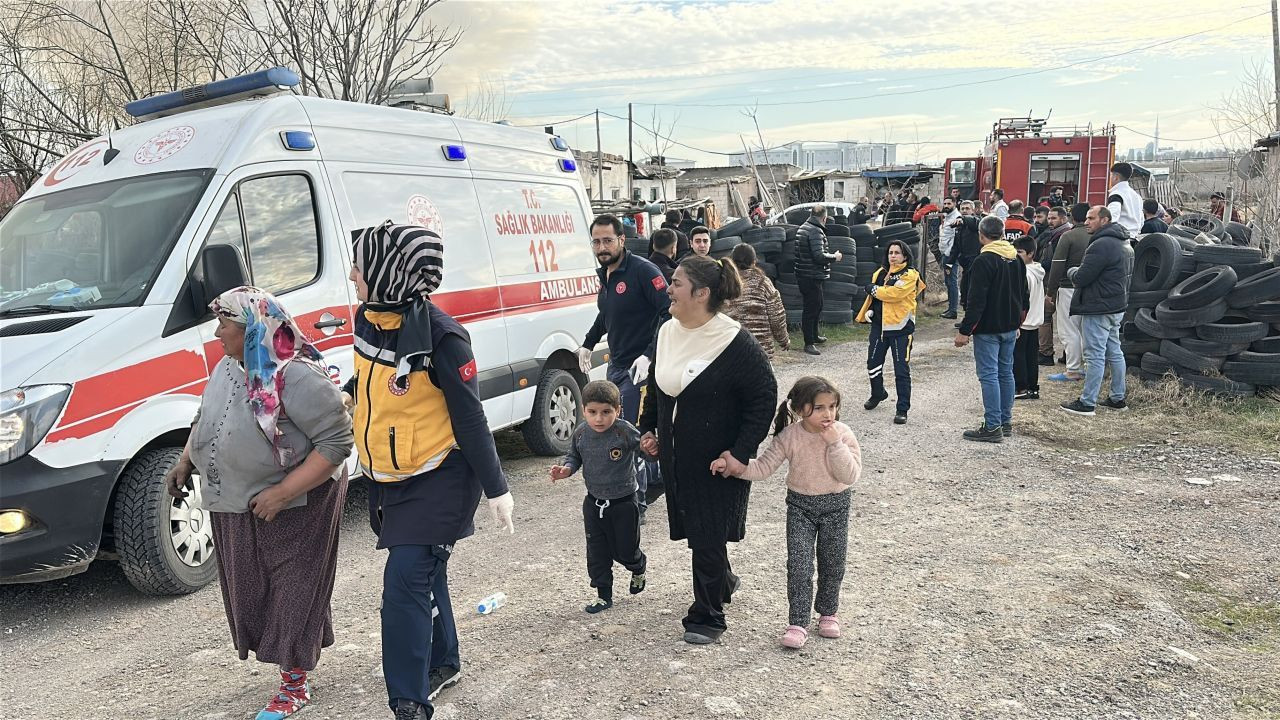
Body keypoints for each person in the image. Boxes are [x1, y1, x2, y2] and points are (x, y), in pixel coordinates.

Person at [347, 221, 515, 720]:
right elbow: (370, 385)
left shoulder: (444, 339)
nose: (352, 274)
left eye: (360, 265)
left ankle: (408, 702)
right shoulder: (369, 319)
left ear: (387, 272)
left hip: (442, 476)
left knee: (403, 584)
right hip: (389, 478)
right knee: (425, 570)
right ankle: (444, 660)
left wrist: (497, 488)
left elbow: (469, 417)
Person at [166, 286, 352, 720]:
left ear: (251, 329)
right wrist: (185, 460)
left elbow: (337, 441)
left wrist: (284, 492)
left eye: (224, 324)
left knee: (294, 587)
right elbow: (206, 416)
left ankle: (294, 683)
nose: (216, 333)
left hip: (299, 503)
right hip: (237, 501)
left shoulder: (297, 375)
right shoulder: (230, 366)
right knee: (254, 587)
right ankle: (293, 660)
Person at [637, 255, 777, 645]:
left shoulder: (733, 341)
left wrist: (741, 453)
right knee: (700, 530)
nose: (668, 288)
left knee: (707, 533)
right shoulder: (667, 331)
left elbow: (764, 396)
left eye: (677, 283)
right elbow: (658, 386)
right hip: (678, 457)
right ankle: (724, 581)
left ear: (701, 293)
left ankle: (708, 616)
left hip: (718, 461)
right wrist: (649, 429)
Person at [709, 376, 861, 650]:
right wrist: (734, 466)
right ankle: (799, 622)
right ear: (800, 408)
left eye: (832, 406)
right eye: (819, 408)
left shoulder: (842, 433)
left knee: (833, 563)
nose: (827, 414)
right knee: (799, 565)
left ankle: (828, 613)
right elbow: (764, 468)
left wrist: (834, 444)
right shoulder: (789, 436)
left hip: (836, 506)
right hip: (800, 507)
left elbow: (849, 475)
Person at [550, 380, 649, 614]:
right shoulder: (581, 433)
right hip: (593, 503)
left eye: (606, 412)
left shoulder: (624, 431)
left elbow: (646, 451)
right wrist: (566, 469)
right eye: (592, 412)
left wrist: (651, 448)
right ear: (583, 410)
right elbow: (573, 456)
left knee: (625, 551)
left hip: (624, 502)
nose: (599, 419)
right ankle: (603, 595)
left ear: (618, 410)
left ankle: (638, 567)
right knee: (597, 552)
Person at [579, 214, 671, 425]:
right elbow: (608, 312)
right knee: (617, 431)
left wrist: (649, 355)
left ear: (622, 240)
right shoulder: (606, 275)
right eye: (596, 242)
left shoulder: (643, 271)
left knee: (636, 434)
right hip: (616, 366)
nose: (602, 247)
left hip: (641, 370)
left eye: (608, 241)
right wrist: (588, 342)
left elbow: (670, 312)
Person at [954, 215, 1028, 442]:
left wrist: (965, 331)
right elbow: (1024, 296)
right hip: (1009, 326)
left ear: (981, 235)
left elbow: (977, 301)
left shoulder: (983, 261)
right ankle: (1005, 422)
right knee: (1006, 373)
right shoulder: (1016, 259)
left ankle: (992, 426)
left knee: (989, 376)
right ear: (1004, 233)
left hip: (988, 328)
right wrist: (1018, 322)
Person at [1061, 206, 1133, 416]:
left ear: (1105, 220)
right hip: (1116, 306)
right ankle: (1117, 398)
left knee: (1094, 355)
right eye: (1086, 218)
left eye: (1091, 218)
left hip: (1098, 307)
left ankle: (1087, 403)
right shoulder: (1123, 241)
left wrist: (1072, 270)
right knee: (1114, 352)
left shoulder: (1102, 244)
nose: (1086, 222)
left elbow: (1083, 276)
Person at [856, 239, 924, 424]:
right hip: (879, 328)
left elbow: (894, 294)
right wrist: (870, 311)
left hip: (901, 329)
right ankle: (878, 393)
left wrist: (873, 289)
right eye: (890, 253)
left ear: (905, 255)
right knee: (872, 363)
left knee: (901, 370)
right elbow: (876, 298)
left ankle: (902, 409)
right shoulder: (879, 273)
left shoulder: (911, 274)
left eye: (897, 253)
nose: (893, 256)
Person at [1046, 203, 1092, 382]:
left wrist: (1050, 291)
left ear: (1072, 217)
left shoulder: (1068, 236)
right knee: (1085, 330)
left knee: (1068, 330)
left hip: (1067, 287)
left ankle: (1073, 369)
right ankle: (1089, 367)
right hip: (1090, 289)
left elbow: (1057, 265)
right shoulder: (1096, 236)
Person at [726, 243, 790, 358]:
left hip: (732, 350)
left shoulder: (724, 284)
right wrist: (783, 340)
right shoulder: (763, 283)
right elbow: (776, 316)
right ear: (754, 262)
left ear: (732, 261)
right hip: (761, 351)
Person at [794, 205, 841, 356]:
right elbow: (819, 256)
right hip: (810, 276)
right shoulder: (814, 231)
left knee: (817, 305)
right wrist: (835, 257)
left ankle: (814, 336)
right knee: (811, 309)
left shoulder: (804, 227)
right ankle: (809, 343)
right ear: (824, 218)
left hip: (806, 274)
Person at [1036, 206, 1072, 366]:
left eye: (1053, 218)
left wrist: (1040, 266)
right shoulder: (1054, 234)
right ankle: (1068, 354)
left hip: (1055, 283)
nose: (1050, 221)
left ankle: (1046, 353)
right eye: (1049, 218)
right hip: (1059, 283)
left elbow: (1056, 262)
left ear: (1063, 219)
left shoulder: (1062, 236)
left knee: (1045, 317)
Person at [1013, 237, 1046, 401]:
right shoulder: (1038, 270)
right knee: (1031, 357)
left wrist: (1016, 322)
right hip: (1035, 321)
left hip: (1024, 322)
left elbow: (1021, 300)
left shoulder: (1025, 274)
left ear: (1031, 253)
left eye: (1019, 252)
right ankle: (1033, 387)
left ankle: (1021, 387)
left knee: (1019, 356)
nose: (1015, 255)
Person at [947, 200, 982, 310]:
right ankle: (966, 317)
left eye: (967, 209)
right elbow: (956, 247)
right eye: (962, 209)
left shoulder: (977, 222)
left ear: (973, 210)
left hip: (976, 263)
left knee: (974, 292)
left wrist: (962, 219)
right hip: (966, 264)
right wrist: (949, 264)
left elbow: (974, 222)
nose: (964, 211)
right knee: (965, 290)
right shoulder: (960, 226)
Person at [1105, 162, 1144, 238]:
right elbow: (1141, 220)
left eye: (1111, 175)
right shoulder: (1137, 196)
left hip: (1119, 237)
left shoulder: (1116, 194)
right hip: (1134, 237)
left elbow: (1112, 217)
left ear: (1116, 177)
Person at [938, 196, 961, 319]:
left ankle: (953, 310)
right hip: (945, 253)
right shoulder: (947, 217)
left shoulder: (956, 218)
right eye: (945, 203)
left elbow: (955, 239)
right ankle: (951, 308)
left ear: (954, 204)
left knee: (952, 282)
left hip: (950, 255)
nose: (946, 205)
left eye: (949, 204)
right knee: (948, 281)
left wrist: (949, 254)